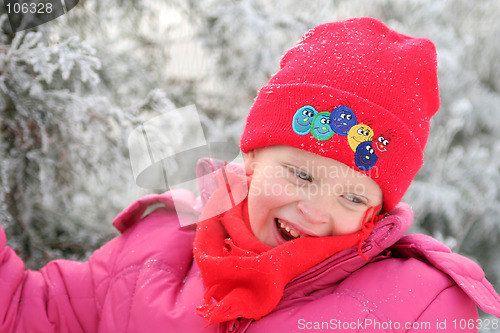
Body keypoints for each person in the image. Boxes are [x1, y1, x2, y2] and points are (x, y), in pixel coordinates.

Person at [1, 17, 499, 333]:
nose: (317, 210)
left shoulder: (415, 307)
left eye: (352, 198)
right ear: (253, 160)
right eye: (301, 176)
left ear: (377, 213)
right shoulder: (156, 248)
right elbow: (28, 312)